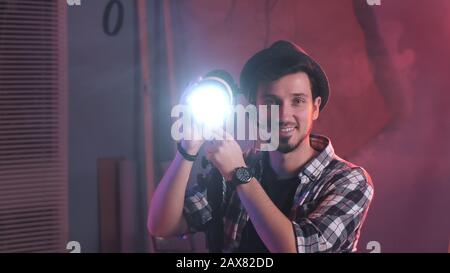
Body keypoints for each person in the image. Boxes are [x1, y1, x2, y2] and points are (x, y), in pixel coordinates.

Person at [148, 40, 374, 253]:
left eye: (297, 101)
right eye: (271, 102)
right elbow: (161, 226)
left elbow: (296, 249)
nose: (284, 115)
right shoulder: (240, 165)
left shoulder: (348, 180)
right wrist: (188, 148)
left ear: (315, 107)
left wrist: (240, 175)